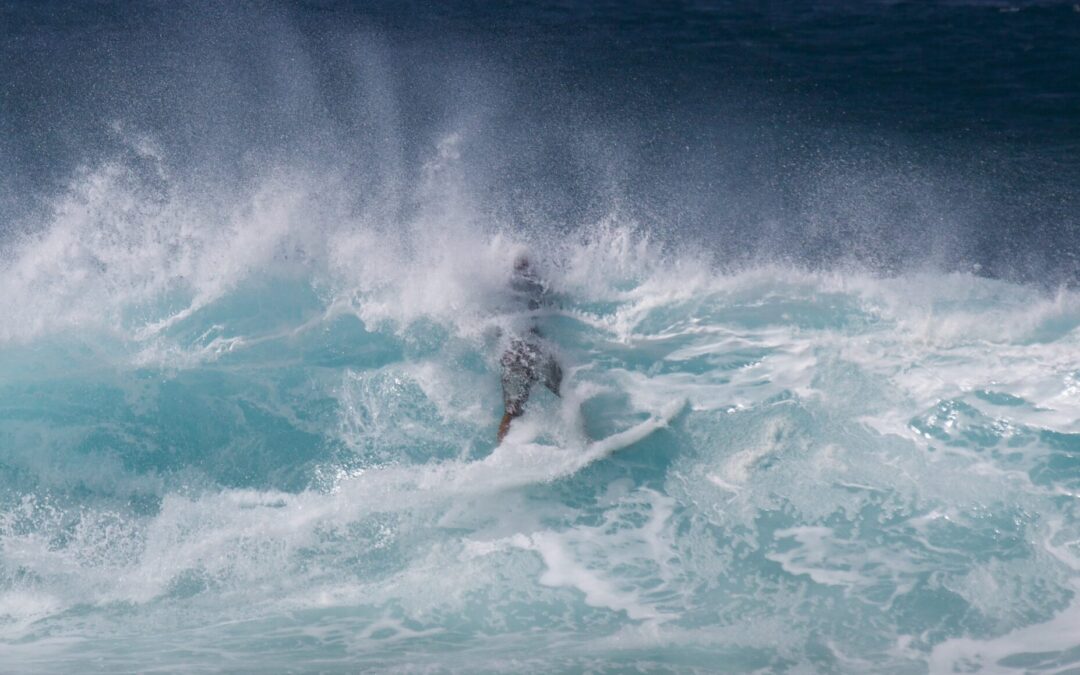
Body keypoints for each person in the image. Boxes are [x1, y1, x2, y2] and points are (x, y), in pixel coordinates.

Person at [497, 254, 562, 442]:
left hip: (518, 355)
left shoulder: (502, 291)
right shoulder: (538, 287)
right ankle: (586, 440)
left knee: (512, 411)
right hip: (531, 353)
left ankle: (500, 449)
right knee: (567, 394)